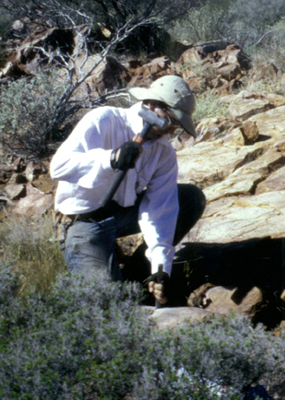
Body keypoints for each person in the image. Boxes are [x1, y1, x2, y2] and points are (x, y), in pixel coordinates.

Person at [50, 75, 205, 306]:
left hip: (122, 214)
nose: (171, 131)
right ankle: (114, 282)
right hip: (83, 221)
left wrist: (160, 267)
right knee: (105, 304)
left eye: (177, 126)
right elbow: (59, 167)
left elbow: (160, 209)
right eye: (171, 120)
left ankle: (140, 278)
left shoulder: (164, 153)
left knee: (190, 199)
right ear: (152, 104)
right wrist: (111, 159)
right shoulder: (104, 120)